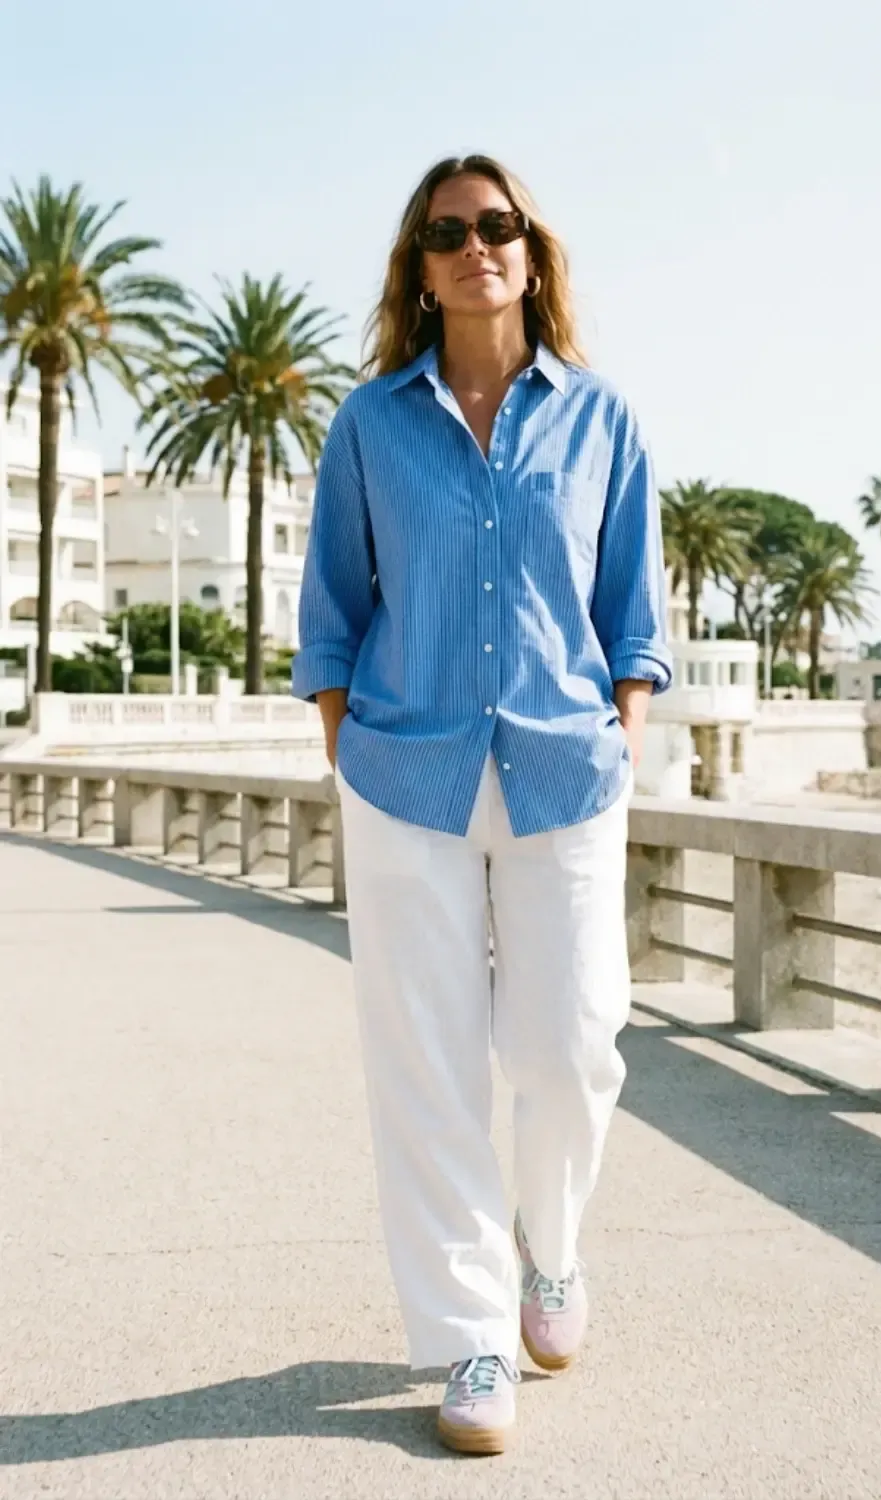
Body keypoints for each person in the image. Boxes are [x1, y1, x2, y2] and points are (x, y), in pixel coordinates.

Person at [292, 153, 671, 1456]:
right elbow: (333, 610)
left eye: (497, 224)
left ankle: (549, 1254)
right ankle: (468, 1337)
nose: (476, 245)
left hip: (566, 771)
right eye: (447, 231)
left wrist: (620, 728)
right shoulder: (369, 424)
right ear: (420, 265)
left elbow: (636, 616)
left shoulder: (601, 419)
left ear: (530, 246)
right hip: (406, 777)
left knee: (573, 1045)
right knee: (428, 1066)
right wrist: (348, 742)